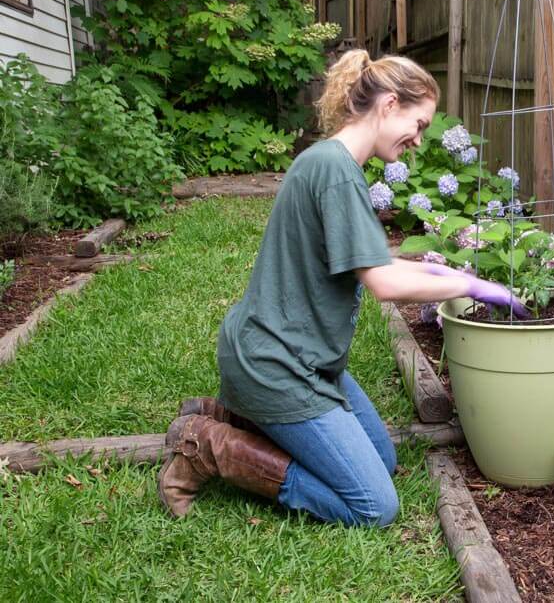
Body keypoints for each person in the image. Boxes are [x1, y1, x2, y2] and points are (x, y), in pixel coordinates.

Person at [158, 50, 525, 525]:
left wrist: (442, 274)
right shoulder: (335, 171)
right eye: (419, 123)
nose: (418, 139)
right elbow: (383, 283)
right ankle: (210, 446)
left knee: (384, 462)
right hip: (276, 365)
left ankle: (233, 413)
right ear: (390, 104)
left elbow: (374, 261)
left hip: (305, 358)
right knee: (374, 505)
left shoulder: (332, 163)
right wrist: (470, 286)